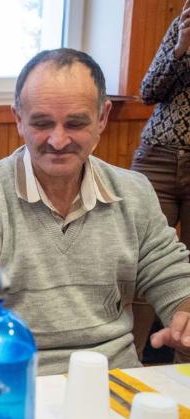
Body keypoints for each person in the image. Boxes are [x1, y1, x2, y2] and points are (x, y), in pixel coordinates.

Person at [0, 48, 190, 376]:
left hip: (113, 380)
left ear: (103, 118)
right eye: (42, 123)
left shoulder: (133, 194)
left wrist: (185, 316)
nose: (58, 139)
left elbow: (172, 276)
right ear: (18, 119)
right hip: (16, 386)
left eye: (76, 123)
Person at [129, 1, 190, 359]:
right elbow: (149, 90)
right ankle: (126, 364)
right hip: (160, 153)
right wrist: (180, 48)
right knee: (138, 263)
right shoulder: (181, 24)